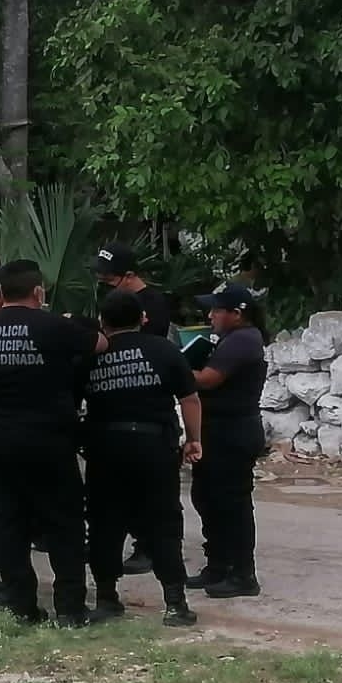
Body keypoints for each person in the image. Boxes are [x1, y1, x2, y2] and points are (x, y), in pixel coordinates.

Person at [0, 263, 105, 626]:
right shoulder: (55, 327)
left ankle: (23, 607)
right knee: (64, 523)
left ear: (0, 294)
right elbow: (101, 343)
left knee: (8, 523)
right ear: (38, 292)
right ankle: (71, 610)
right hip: (49, 438)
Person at [82, 290, 203, 627]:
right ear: (143, 318)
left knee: (105, 523)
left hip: (105, 447)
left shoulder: (92, 355)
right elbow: (190, 399)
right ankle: (175, 603)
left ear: (103, 321)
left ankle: (106, 597)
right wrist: (194, 439)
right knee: (163, 522)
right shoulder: (163, 349)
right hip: (154, 447)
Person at [93, 241, 175, 576]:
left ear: (128, 276)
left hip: (147, 404)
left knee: (152, 494)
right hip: (114, 410)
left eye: (110, 279)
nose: (104, 283)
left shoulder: (153, 303)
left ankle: (149, 547)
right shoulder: (112, 300)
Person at [187, 283, 269, 599]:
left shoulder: (244, 340)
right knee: (207, 498)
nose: (210, 316)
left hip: (234, 432)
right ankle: (218, 564)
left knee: (232, 504)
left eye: (216, 310)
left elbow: (209, 378)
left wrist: (173, 367)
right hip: (217, 430)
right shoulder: (230, 339)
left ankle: (243, 574)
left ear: (237, 314)